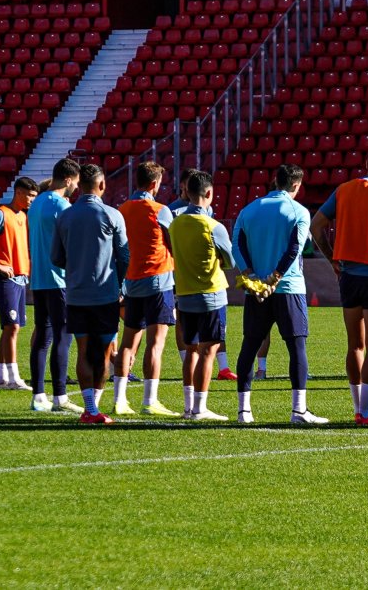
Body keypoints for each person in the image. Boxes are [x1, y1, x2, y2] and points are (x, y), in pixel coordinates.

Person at [310, 142, 368, 426]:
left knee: (355, 344)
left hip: (348, 275)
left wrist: (331, 259)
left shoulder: (344, 190)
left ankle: (357, 407)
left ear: (366, 163)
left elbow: (316, 226)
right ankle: (365, 412)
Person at [232, 164, 328, 425]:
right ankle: (298, 410)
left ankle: (244, 411)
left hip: (257, 291)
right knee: (296, 347)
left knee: (249, 346)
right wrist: (275, 277)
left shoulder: (249, 209)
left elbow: (236, 245)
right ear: (296, 185)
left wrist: (252, 276)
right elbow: (295, 247)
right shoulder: (299, 211)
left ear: (275, 181)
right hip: (289, 288)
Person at [51, 164, 130, 424]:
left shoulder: (65, 216)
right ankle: (92, 409)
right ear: (102, 185)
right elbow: (124, 256)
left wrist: (78, 268)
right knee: (104, 353)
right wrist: (119, 286)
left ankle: (91, 409)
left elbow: (56, 257)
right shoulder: (111, 215)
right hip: (105, 295)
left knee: (84, 350)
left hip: (75, 294)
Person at [115, 162, 180, 417]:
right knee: (156, 343)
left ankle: (119, 399)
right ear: (154, 184)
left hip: (132, 281)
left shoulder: (123, 209)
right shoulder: (160, 210)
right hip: (158, 280)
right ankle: (149, 400)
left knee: (129, 342)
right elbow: (173, 243)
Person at [170, 171, 234, 421]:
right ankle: (199, 408)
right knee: (209, 350)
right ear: (208, 193)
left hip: (184, 293)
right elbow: (229, 261)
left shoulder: (175, 223)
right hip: (210, 294)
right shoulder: (213, 226)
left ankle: (188, 406)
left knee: (192, 350)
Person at [28, 159, 84, 413]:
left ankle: (38, 395)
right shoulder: (62, 205)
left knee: (42, 336)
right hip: (59, 278)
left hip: (39, 277)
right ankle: (60, 396)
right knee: (63, 335)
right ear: (69, 179)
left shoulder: (36, 202)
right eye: (77, 182)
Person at [0, 177, 38, 393]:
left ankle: (2, 377)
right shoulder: (1, 213)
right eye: (29, 196)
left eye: (34, 197)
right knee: (12, 327)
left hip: (20, 277)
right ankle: (14, 377)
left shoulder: (22, 217)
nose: (32, 200)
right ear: (18, 192)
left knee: (10, 328)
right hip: (5, 278)